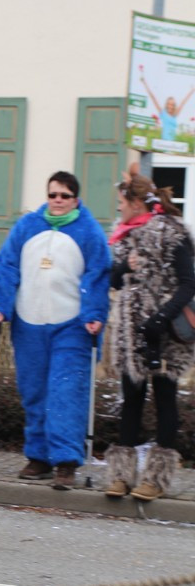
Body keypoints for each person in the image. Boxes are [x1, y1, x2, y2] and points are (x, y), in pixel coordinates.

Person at [0, 171, 111, 490]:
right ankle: (39, 456)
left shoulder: (88, 230)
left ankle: (66, 461)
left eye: (64, 196)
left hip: (72, 326)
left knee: (66, 391)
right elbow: (7, 266)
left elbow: (98, 273)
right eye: (53, 195)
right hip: (29, 323)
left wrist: (95, 313)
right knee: (34, 390)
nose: (58, 201)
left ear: (76, 199)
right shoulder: (27, 226)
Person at [104, 166, 195, 501]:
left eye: (121, 202)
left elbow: (189, 283)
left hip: (166, 332)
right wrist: (124, 267)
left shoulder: (172, 232)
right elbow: (113, 281)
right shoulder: (123, 234)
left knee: (165, 401)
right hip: (131, 334)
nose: (118, 208)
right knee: (130, 400)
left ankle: (155, 479)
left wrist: (160, 318)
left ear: (137, 202)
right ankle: (121, 477)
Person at [139, 73, 195, 142]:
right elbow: (153, 98)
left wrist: (192, 91)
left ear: (174, 106)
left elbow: (183, 102)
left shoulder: (175, 115)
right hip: (164, 142)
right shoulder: (163, 114)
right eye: (169, 104)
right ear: (166, 105)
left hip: (173, 143)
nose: (170, 106)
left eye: (172, 104)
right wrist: (145, 83)